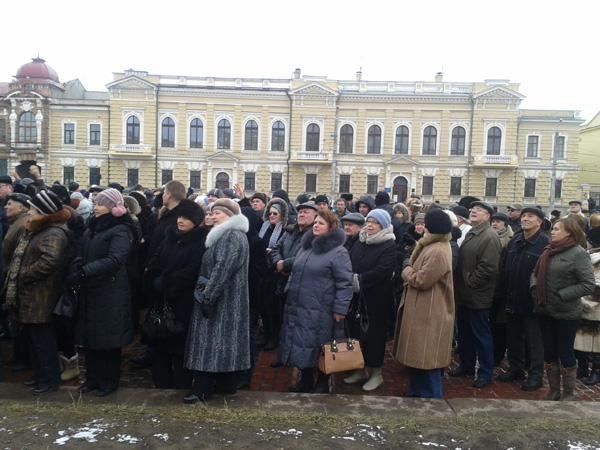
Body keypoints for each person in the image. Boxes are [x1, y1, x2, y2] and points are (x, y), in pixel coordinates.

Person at [278, 209, 352, 393]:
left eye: (321, 223)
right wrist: (285, 263)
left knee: (322, 346)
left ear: (331, 228)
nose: (316, 226)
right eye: (316, 222)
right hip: (300, 305)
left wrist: (340, 309)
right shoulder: (307, 246)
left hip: (322, 309)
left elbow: (345, 282)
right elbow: (299, 264)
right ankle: (306, 381)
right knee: (303, 344)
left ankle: (323, 382)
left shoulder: (338, 252)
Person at [184, 199, 250, 403]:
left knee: (209, 345)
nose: (212, 216)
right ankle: (225, 385)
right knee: (223, 344)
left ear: (230, 216)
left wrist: (208, 297)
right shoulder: (225, 235)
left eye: (217, 213)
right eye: (211, 212)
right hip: (226, 300)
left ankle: (202, 389)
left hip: (221, 302)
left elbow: (222, 269)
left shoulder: (231, 236)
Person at [3, 190, 70, 394]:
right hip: (32, 296)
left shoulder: (54, 232)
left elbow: (49, 261)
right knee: (35, 341)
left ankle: (49, 380)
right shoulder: (41, 229)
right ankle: (41, 376)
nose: (30, 212)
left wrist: (22, 274)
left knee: (44, 343)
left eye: (33, 209)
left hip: (41, 296)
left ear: (44, 211)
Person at [72, 188, 134, 396]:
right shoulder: (93, 227)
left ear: (112, 208)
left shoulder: (121, 230)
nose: (95, 207)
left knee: (108, 339)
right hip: (91, 289)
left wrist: (86, 270)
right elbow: (84, 250)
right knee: (90, 337)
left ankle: (109, 381)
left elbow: (116, 259)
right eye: (96, 203)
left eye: (100, 204)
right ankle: (92, 379)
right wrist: (78, 264)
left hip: (111, 292)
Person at [393, 209, 454, 398]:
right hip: (421, 308)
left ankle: (432, 400)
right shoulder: (431, 245)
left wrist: (406, 270)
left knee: (427, 358)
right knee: (418, 357)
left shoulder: (438, 250)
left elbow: (422, 280)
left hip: (430, 311)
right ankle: (417, 392)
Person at [533, 218, 595, 401]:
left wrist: (562, 294)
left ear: (569, 232)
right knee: (549, 352)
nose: (553, 231)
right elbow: (535, 273)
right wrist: (533, 287)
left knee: (565, 351)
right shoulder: (548, 250)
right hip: (545, 309)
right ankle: (553, 390)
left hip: (566, 313)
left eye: (557, 229)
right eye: (553, 229)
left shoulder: (578, 254)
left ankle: (568, 393)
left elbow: (587, 284)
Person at [147, 199, 206, 389]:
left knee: (180, 346)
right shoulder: (170, 236)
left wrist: (170, 282)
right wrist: (155, 277)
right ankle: (161, 383)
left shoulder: (200, 241)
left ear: (196, 221)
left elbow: (193, 269)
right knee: (160, 343)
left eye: (187, 218)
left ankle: (181, 385)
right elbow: (157, 259)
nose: (181, 221)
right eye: (180, 216)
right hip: (161, 299)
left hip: (183, 301)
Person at [495, 208, 549, 391]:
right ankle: (516, 369)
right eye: (524, 216)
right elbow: (503, 267)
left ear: (539, 222)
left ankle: (536, 375)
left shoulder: (544, 244)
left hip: (532, 301)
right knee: (513, 337)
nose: (525, 219)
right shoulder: (515, 240)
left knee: (534, 341)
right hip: (512, 297)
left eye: (530, 216)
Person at [345, 209, 396, 391]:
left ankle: (376, 374)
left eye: (374, 222)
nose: (369, 225)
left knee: (374, 337)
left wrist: (360, 280)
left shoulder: (388, 244)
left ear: (382, 225)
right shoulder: (361, 240)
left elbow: (383, 270)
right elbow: (349, 259)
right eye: (368, 221)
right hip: (356, 298)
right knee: (355, 333)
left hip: (376, 300)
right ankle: (359, 369)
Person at [451, 201, 501, 388]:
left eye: (479, 210)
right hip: (465, 294)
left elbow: (488, 267)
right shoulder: (474, 232)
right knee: (465, 333)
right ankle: (466, 365)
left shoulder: (489, 236)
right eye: (472, 210)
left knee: (481, 336)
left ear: (488, 216)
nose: (473, 212)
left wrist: (471, 282)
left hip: (478, 295)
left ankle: (485, 373)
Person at [257, 197, 289, 351]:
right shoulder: (264, 227)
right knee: (262, 306)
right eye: (269, 213)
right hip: (262, 272)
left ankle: (274, 336)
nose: (271, 216)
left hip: (275, 273)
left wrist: (272, 254)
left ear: (282, 215)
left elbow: (282, 249)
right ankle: (266, 333)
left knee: (273, 308)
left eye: (275, 214)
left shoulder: (284, 230)